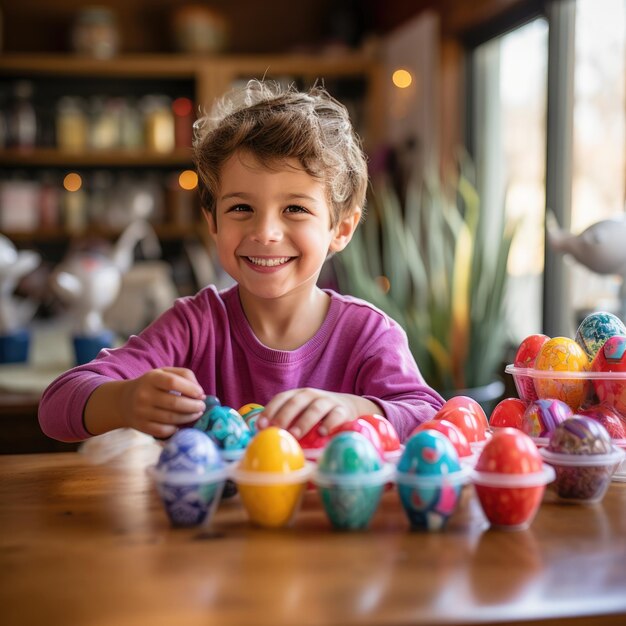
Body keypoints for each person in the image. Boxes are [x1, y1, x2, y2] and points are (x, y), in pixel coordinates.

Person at [38, 80, 444, 444]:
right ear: (211, 221)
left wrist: (359, 410)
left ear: (341, 228)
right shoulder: (194, 326)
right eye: (242, 208)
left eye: (295, 209)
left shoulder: (368, 334)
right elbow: (56, 404)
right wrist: (125, 401)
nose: (265, 232)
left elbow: (430, 416)